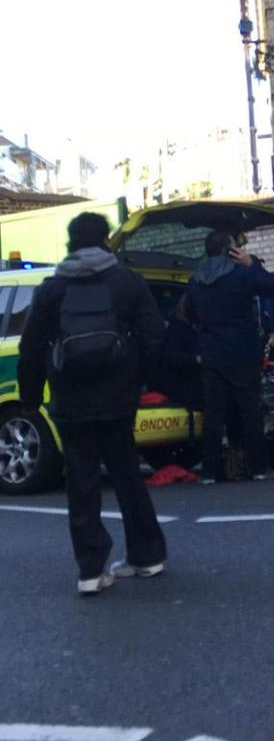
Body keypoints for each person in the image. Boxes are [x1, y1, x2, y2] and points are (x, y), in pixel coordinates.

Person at [17, 211, 168, 595]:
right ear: (104, 240)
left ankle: (90, 569)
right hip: (118, 396)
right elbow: (154, 334)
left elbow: (31, 346)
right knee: (127, 474)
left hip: (70, 399)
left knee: (81, 480)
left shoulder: (52, 288)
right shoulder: (126, 281)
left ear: (70, 242)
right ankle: (146, 556)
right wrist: (139, 377)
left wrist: (33, 396)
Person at [185, 231, 274, 483]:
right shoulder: (239, 274)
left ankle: (209, 471)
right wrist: (251, 264)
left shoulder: (195, 280)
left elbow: (190, 314)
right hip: (241, 351)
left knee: (213, 416)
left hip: (211, 354)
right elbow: (271, 288)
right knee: (249, 410)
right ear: (229, 251)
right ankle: (259, 467)